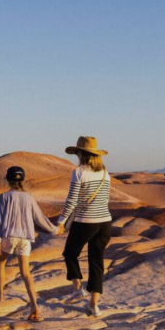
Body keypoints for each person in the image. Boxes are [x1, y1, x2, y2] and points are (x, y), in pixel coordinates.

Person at [0, 166, 60, 322]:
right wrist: (55, 230)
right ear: (23, 180)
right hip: (25, 238)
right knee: (26, 273)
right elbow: (39, 218)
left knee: (1, 263)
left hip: (9, 235)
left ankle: (0, 295)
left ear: (8, 180)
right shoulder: (28, 198)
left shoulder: (4, 197)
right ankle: (34, 305)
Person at [57, 136, 111, 318]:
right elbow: (105, 199)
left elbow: (71, 201)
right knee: (97, 262)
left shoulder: (79, 172)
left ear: (81, 153)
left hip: (86, 221)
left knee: (70, 253)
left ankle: (78, 289)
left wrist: (61, 221)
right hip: (105, 222)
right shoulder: (105, 172)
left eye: (77, 152)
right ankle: (94, 306)